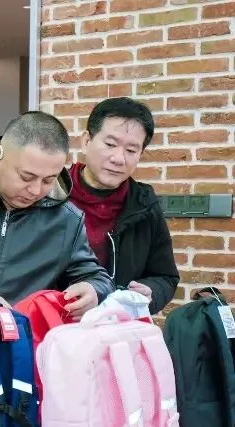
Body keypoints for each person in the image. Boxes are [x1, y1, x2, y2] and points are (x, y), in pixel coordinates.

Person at [0, 111, 114, 318]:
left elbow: (95, 277)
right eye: (26, 177)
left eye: (48, 180)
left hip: (21, 335)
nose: (35, 190)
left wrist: (94, 290)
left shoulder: (67, 220)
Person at [68, 98, 178, 315]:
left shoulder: (145, 205)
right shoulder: (52, 194)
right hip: (54, 322)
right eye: (110, 145)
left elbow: (165, 277)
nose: (119, 159)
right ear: (86, 141)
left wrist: (152, 291)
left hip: (117, 326)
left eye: (131, 150)